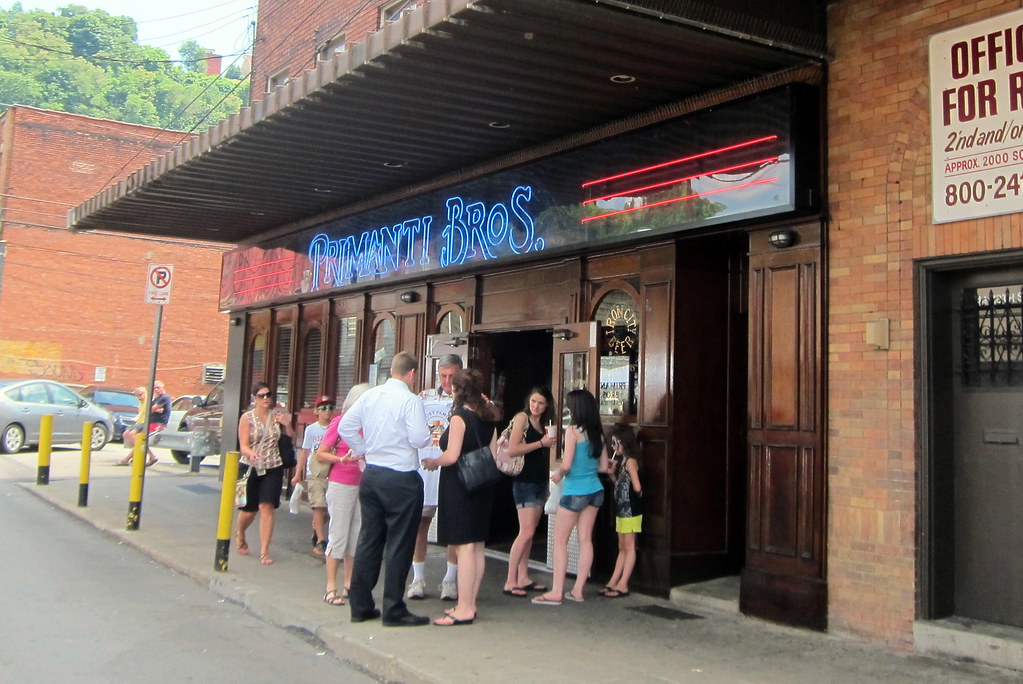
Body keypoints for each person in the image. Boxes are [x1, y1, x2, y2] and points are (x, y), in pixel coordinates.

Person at [338, 352, 433, 627]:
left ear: (391, 370)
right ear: (412, 374)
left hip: (373, 473)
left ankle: (361, 604)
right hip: (401, 475)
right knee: (400, 542)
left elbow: (346, 426)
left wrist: (363, 449)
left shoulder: (370, 395)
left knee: (369, 538)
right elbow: (418, 438)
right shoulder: (410, 400)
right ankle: (393, 607)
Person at [422, 369, 498, 626]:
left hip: (460, 484)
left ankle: (464, 607)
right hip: (483, 483)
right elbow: (495, 452)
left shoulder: (459, 417)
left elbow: (452, 455)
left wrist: (433, 461)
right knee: (477, 547)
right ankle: (470, 602)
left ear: (458, 391)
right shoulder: (489, 416)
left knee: (464, 547)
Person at [532, 388, 609, 606]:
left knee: (560, 540)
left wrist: (558, 474)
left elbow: (566, 464)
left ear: (575, 408)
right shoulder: (598, 433)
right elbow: (603, 466)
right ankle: (578, 591)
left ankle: (557, 591)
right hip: (595, 490)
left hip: (575, 490)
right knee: (585, 540)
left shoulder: (573, 431)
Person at [408, 353, 462, 602]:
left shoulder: (467, 401)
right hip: (426, 469)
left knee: (454, 529)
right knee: (420, 524)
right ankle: (417, 578)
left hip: (452, 471)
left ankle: (450, 580)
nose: (448, 380)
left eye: (452, 376)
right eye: (444, 375)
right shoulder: (424, 397)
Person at [315, 383, 371, 606]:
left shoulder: (369, 424)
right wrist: (341, 459)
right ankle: (331, 586)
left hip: (363, 484)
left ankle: (349, 584)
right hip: (341, 483)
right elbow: (321, 453)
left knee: (356, 535)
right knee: (338, 533)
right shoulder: (340, 422)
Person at [502, 386, 556, 597]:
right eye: (533, 401)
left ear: (547, 405)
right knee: (526, 532)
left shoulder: (544, 423)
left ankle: (523, 577)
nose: (536, 406)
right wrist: (540, 443)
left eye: (541, 403)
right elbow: (513, 449)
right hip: (523, 481)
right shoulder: (521, 418)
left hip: (539, 480)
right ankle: (510, 580)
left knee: (530, 532)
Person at [236, 382, 294, 565]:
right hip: (250, 467)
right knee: (249, 510)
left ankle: (264, 551)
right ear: (254, 398)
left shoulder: (276, 417)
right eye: (261, 396)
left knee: (266, 507)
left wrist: (288, 425)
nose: (266, 398)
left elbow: (291, 438)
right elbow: (243, 444)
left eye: (268, 395)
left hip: (273, 466)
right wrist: (250, 453)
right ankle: (241, 533)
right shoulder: (247, 418)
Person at [601, 425, 642, 598]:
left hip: (630, 508)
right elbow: (620, 484)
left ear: (624, 443)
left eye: (616, 443)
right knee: (622, 546)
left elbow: (637, 485)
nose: (614, 447)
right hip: (622, 508)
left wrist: (637, 492)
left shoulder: (631, 461)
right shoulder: (623, 461)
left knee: (629, 545)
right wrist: (612, 476)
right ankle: (614, 581)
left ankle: (623, 583)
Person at [294, 395, 335, 555]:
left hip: (331, 473)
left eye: (330, 408)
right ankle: (320, 540)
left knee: (328, 510)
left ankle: (317, 530)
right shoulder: (311, 430)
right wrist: (298, 473)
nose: (327, 411)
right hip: (315, 473)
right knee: (319, 506)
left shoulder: (335, 427)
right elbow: (305, 453)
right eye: (323, 408)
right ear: (316, 411)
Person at [118, 380, 168, 467]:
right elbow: (153, 409)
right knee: (128, 434)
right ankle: (146, 455)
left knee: (138, 438)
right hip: (149, 423)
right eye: (154, 388)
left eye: (158, 387)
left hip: (158, 424)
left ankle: (127, 458)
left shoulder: (164, 398)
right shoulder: (156, 399)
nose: (156, 390)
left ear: (163, 387)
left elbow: (152, 409)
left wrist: (155, 409)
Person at [117, 386, 147, 465]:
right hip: (138, 422)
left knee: (131, 435)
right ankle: (137, 453)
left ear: (145, 393)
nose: (139, 397)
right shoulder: (141, 402)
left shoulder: (148, 400)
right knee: (125, 434)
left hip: (145, 422)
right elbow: (140, 414)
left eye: (140, 395)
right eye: (137, 396)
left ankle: (130, 457)